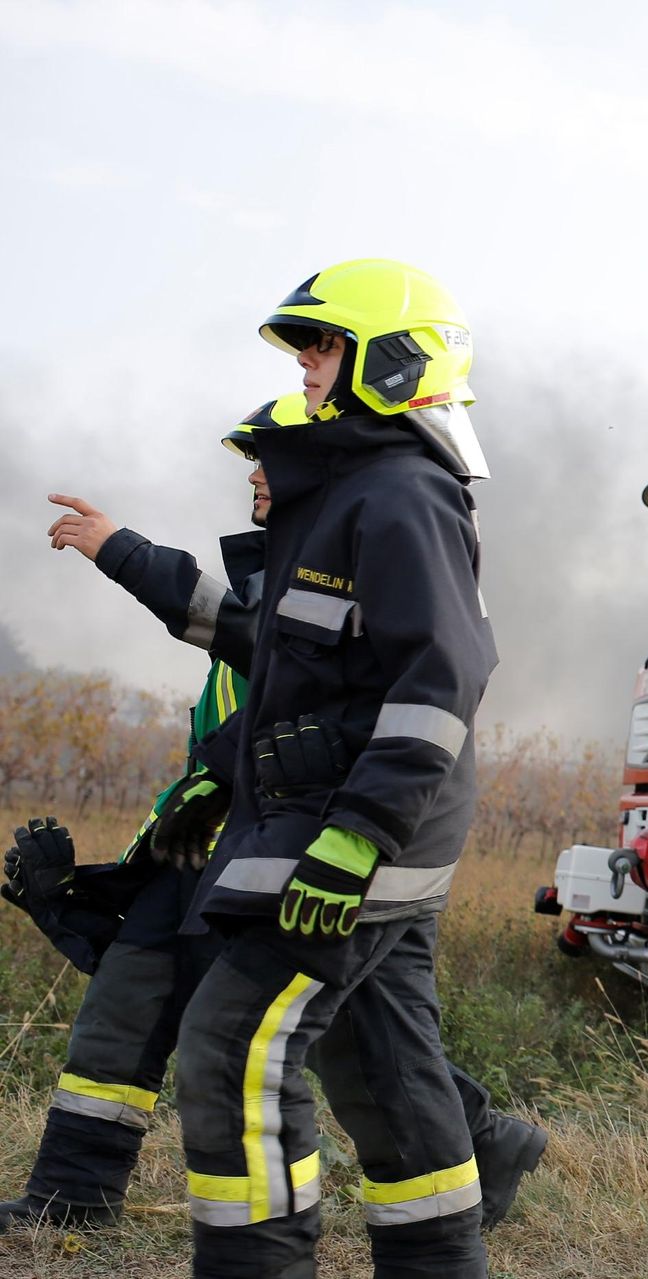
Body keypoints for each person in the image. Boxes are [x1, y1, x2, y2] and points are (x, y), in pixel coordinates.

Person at [0, 398, 543, 1236]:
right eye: (254, 461)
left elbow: (346, 699)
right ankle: (72, 1194)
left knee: (352, 1038)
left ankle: (463, 1162)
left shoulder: (375, 540)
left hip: (322, 839)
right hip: (232, 837)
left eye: (270, 456)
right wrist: (122, 554)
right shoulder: (286, 565)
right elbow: (243, 649)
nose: (258, 472)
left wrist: (124, 556)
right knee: (149, 993)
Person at [173, 259, 497, 1278]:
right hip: (335, 829)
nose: (306, 367)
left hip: (355, 837)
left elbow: (441, 677)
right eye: (305, 349)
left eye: (322, 345)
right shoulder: (346, 498)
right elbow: (300, 687)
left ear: (392, 364)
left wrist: (356, 836)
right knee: (386, 1069)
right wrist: (217, 771)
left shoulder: (400, 494)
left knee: (230, 1050)